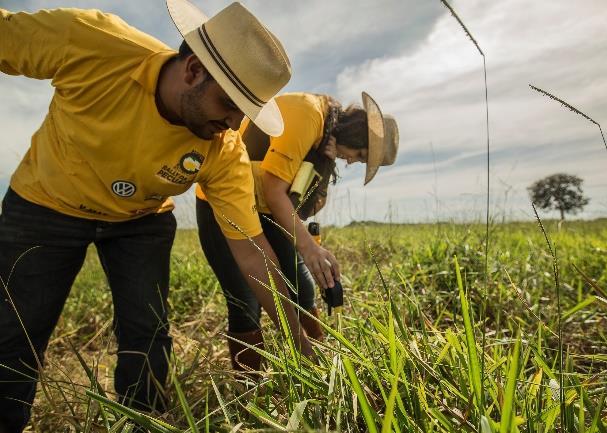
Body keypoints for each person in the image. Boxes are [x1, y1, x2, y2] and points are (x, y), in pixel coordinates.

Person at [0, 1, 315, 431]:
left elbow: (252, 253)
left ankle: (141, 420)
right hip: (44, 204)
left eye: (246, 111)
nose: (234, 122)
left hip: (141, 221)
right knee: (14, 333)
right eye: (228, 103)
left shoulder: (224, 149)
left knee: (148, 334)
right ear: (192, 71)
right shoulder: (93, 42)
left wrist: (300, 344)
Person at [195, 92, 399, 371]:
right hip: (223, 203)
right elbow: (274, 189)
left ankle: (318, 366)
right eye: (360, 155)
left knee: (302, 287)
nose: (351, 161)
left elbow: (303, 208)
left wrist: (324, 168)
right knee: (246, 301)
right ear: (356, 132)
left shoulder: (323, 143)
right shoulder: (309, 114)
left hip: (267, 210)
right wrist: (308, 246)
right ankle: (250, 389)